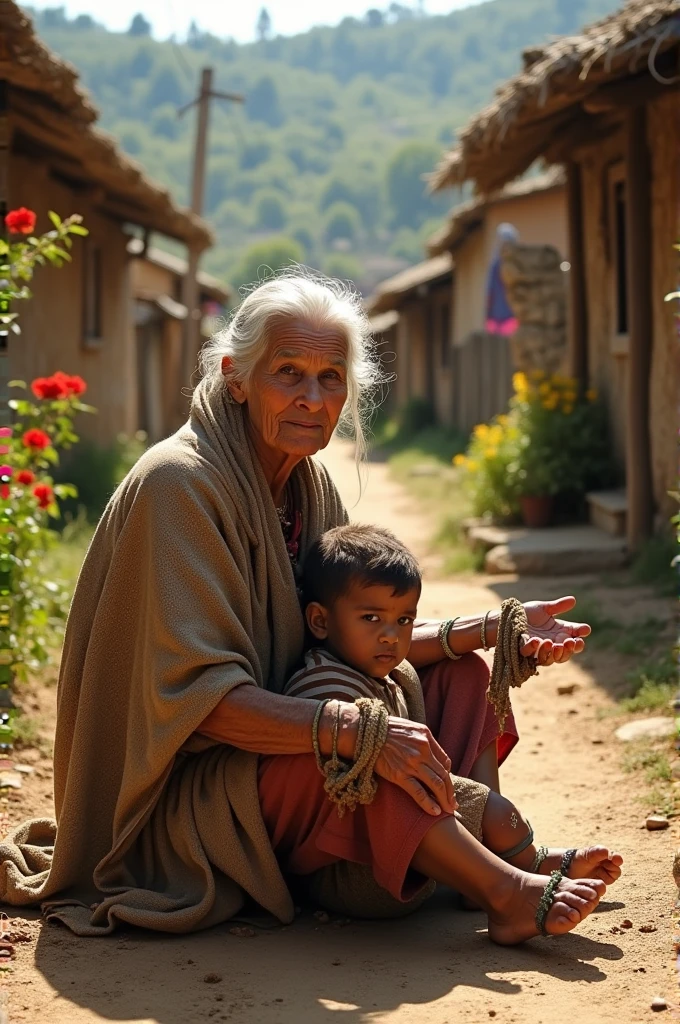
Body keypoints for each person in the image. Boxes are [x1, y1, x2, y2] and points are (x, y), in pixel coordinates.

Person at [0, 272, 607, 944]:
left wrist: (491, 629)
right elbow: (204, 701)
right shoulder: (178, 484)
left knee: (460, 677)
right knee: (366, 737)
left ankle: (475, 858)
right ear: (236, 376)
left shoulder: (308, 485)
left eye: (331, 378)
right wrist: (352, 731)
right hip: (192, 798)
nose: (312, 399)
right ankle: (503, 884)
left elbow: (353, 634)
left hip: (282, 756)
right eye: (288, 373)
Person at [284, 522, 622, 891]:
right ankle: (516, 869)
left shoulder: (376, 670)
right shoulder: (325, 686)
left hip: (403, 849)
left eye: (404, 620)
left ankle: (497, 859)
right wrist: (490, 812)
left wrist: (504, 628)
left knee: (467, 669)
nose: (390, 635)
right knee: (493, 812)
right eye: (371, 618)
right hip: (352, 870)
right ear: (319, 620)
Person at [486, 222, 520, 335]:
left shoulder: (498, 264)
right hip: (501, 319)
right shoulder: (498, 265)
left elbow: (489, 294)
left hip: (510, 318)